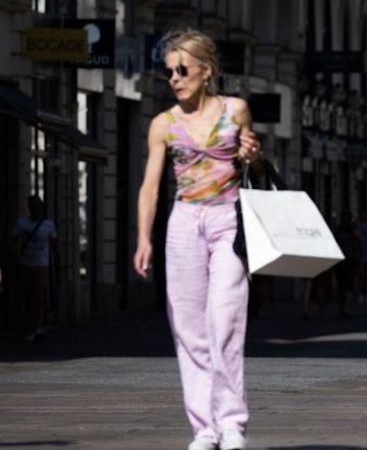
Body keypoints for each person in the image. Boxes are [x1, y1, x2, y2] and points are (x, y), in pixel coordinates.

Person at [132, 30, 264, 450]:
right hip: (184, 222)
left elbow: (253, 169)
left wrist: (253, 156)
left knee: (224, 319)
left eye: (183, 69)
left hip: (229, 219)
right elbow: (150, 186)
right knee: (188, 327)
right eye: (169, 71)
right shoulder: (164, 124)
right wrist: (143, 238)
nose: (174, 78)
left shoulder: (235, 109)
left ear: (206, 72)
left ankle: (231, 423)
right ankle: (204, 428)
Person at [11, 195, 57, 341]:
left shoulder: (48, 225)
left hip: (42, 265)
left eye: (39, 207)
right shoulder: (21, 223)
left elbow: (55, 246)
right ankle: (27, 325)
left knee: (38, 296)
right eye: (34, 206)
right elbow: (13, 241)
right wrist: (13, 259)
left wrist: (58, 264)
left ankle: (36, 327)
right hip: (25, 264)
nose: (37, 209)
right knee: (25, 296)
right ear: (30, 208)